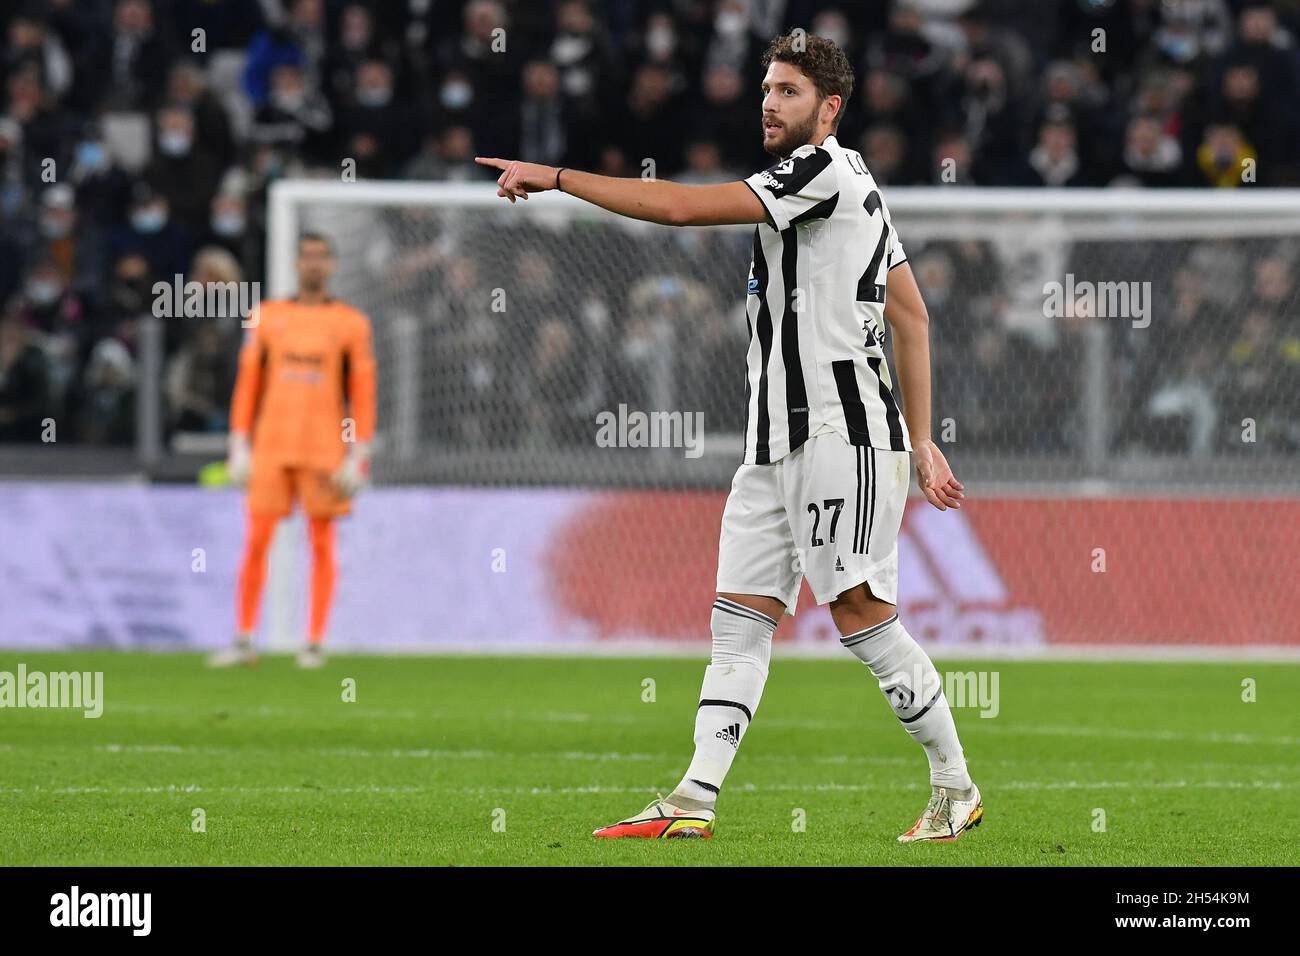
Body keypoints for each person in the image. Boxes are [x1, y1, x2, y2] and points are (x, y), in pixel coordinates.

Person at [476, 34, 979, 843]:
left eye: (787, 91)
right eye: (767, 89)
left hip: (840, 431)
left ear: (830, 109)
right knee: (739, 618)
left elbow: (675, 207)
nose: (770, 104)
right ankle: (692, 800)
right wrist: (923, 437)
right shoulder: (840, 186)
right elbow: (911, 313)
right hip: (774, 438)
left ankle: (955, 787)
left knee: (856, 608)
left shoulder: (824, 171)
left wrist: (556, 177)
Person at [208, 233, 376, 669]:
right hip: (271, 445)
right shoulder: (266, 317)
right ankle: (244, 639)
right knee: (256, 541)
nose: (314, 265)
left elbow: (362, 392)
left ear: (333, 265)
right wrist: (238, 443)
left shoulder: (350, 322)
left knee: (322, 543)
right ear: (296, 264)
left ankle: (314, 643)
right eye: (307, 257)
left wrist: (360, 452)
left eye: (322, 257)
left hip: (323, 448)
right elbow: (248, 385)